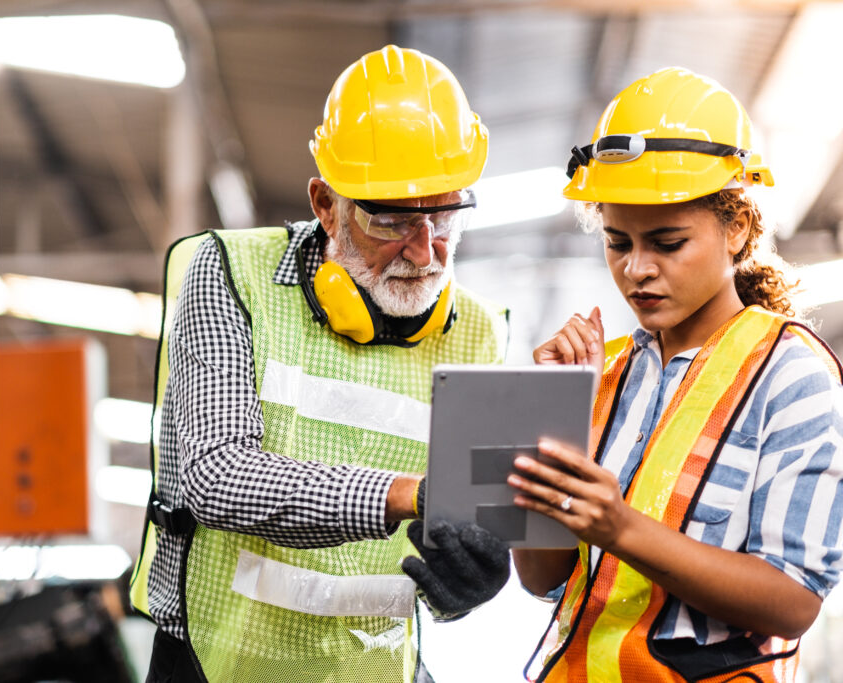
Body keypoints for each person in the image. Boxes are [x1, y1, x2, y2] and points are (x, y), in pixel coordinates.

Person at [128, 45, 512, 683]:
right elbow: (214, 474)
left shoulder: (477, 334)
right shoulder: (232, 275)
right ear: (325, 204)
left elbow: (455, 538)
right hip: (218, 668)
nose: (425, 250)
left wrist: (463, 588)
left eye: (445, 215)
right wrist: (407, 494)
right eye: (391, 219)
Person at [511, 67, 843, 682]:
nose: (637, 269)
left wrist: (621, 527)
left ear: (737, 227)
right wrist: (555, 414)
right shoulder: (605, 372)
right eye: (617, 243)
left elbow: (793, 601)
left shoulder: (792, 374)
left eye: (666, 243)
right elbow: (540, 577)